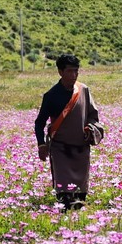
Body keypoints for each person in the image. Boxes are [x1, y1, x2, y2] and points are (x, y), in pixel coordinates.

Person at [34, 54, 102, 210]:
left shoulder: (83, 91)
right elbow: (39, 123)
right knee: (64, 193)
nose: (74, 75)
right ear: (60, 72)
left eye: (76, 71)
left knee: (80, 192)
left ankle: (78, 218)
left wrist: (90, 129)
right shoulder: (51, 96)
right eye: (70, 71)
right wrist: (41, 144)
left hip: (81, 148)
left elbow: (93, 116)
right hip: (60, 150)